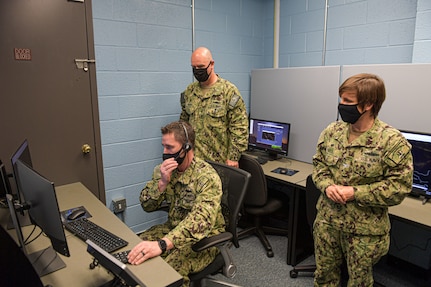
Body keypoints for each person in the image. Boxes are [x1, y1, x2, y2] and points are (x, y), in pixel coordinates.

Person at [312, 73, 413, 286]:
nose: (342, 105)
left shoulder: (392, 141)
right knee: (324, 277)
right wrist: (327, 186)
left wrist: (354, 193)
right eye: (341, 99)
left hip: (364, 232)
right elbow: (319, 166)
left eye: (348, 101)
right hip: (327, 222)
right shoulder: (332, 131)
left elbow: (399, 187)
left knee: (359, 283)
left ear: (368, 104)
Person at [127, 121, 225, 287]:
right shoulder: (163, 171)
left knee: (168, 272)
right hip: (173, 228)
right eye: (163, 146)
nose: (165, 153)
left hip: (204, 238)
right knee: (134, 250)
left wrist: (163, 244)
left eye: (170, 147)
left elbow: (200, 222)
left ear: (186, 148)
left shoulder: (206, 177)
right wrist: (162, 184)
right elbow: (146, 205)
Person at [180, 46, 248, 168]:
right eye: (194, 67)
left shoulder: (229, 91)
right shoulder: (190, 92)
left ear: (211, 64)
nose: (197, 71)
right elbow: (184, 124)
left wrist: (233, 157)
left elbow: (240, 127)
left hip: (218, 162)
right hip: (194, 162)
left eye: (200, 67)